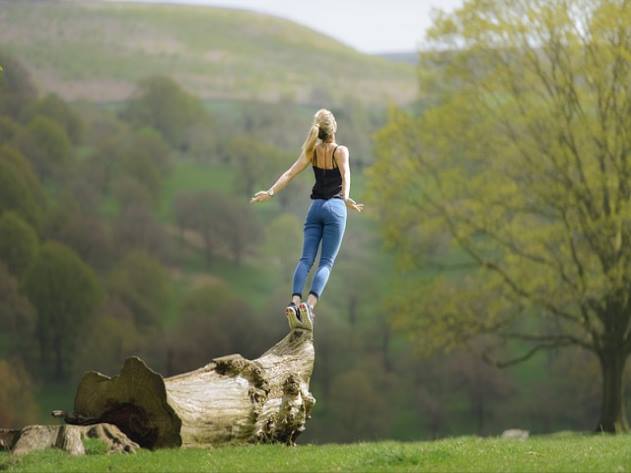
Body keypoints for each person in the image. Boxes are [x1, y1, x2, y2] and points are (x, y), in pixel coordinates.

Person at [250, 109, 364, 330]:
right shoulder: (340, 151)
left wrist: (271, 192)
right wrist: (346, 198)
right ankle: (309, 306)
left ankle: (293, 303)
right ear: (334, 129)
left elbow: (289, 173)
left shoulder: (312, 151)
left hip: (315, 209)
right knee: (326, 262)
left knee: (305, 260)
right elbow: (346, 175)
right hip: (335, 208)